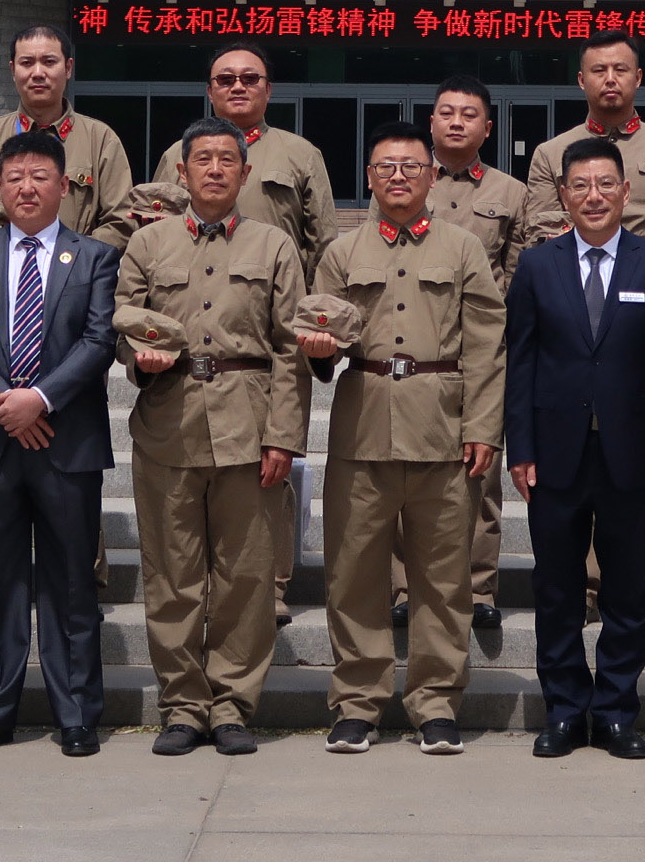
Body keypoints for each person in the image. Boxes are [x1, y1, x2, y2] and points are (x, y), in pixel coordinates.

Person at [299, 121, 505, 753]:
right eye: (385, 166)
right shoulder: (341, 252)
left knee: (443, 577)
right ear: (369, 176)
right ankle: (358, 702)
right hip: (361, 429)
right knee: (354, 572)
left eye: (411, 167)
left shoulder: (463, 247)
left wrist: (484, 429)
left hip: (443, 432)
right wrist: (316, 352)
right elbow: (321, 335)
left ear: (430, 175)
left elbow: (488, 344)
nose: (398, 176)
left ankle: (436, 702)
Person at [114, 117, 310, 755]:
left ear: (246, 173)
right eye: (204, 159)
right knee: (172, 575)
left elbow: (290, 348)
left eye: (229, 159)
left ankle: (230, 704)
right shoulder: (149, 244)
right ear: (183, 170)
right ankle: (182, 706)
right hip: (169, 423)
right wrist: (133, 354)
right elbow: (124, 323)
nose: (217, 169)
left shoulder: (274, 245)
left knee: (246, 575)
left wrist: (283, 436)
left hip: (249, 425)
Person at [0, 129, 121, 757]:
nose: (27, 187)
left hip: (66, 442)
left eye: (41, 176)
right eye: (14, 177)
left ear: (64, 187)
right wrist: (3, 404)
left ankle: (76, 714)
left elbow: (97, 342)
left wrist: (37, 400)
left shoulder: (92, 256)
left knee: (71, 582)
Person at [518, 30, 645, 623]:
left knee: (642, 456)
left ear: (637, 78)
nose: (609, 80)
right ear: (581, 80)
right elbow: (541, 235)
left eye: (620, 70)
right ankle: (578, 589)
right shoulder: (554, 154)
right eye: (597, 70)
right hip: (576, 309)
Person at [506, 137, 645, 760]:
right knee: (556, 589)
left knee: (628, 590)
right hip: (554, 454)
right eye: (579, 185)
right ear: (562, 195)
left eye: (605, 184)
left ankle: (613, 711)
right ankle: (563, 709)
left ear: (625, 191)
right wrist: (519, 447)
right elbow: (521, 362)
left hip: (633, 457)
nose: (593, 196)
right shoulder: (537, 265)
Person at [150, 42, 338, 624]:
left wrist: (316, 329)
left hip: (267, 326)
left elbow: (323, 243)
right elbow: (156, 234)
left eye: (250, 78)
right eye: (225, 78)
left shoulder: (300, 154)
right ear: (209, 89)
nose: (238, 87)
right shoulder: (172, 157)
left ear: (268, 89)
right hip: (190, 339)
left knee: (267, 487)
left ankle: (274, 585)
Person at [405, 73, 531, 631]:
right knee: (402, 477)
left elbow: (516, 272)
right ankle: (403, 589)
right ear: (430, 121)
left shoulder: (510, 193)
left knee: (479, 477)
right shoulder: (407, 180)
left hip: (479, 353)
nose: (457, 122)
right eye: (447, 112)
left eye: (469, 114)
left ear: (488, 126)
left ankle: (479, 589)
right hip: (410, 352)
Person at [0, 22, 134, 244]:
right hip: (3, 271)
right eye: (27, 63)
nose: (38, 73)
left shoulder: (100, 139)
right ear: (13, 70)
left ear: (68, 68)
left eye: (49, 62)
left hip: (77, 273)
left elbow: (122, 222)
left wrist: (77, 258)